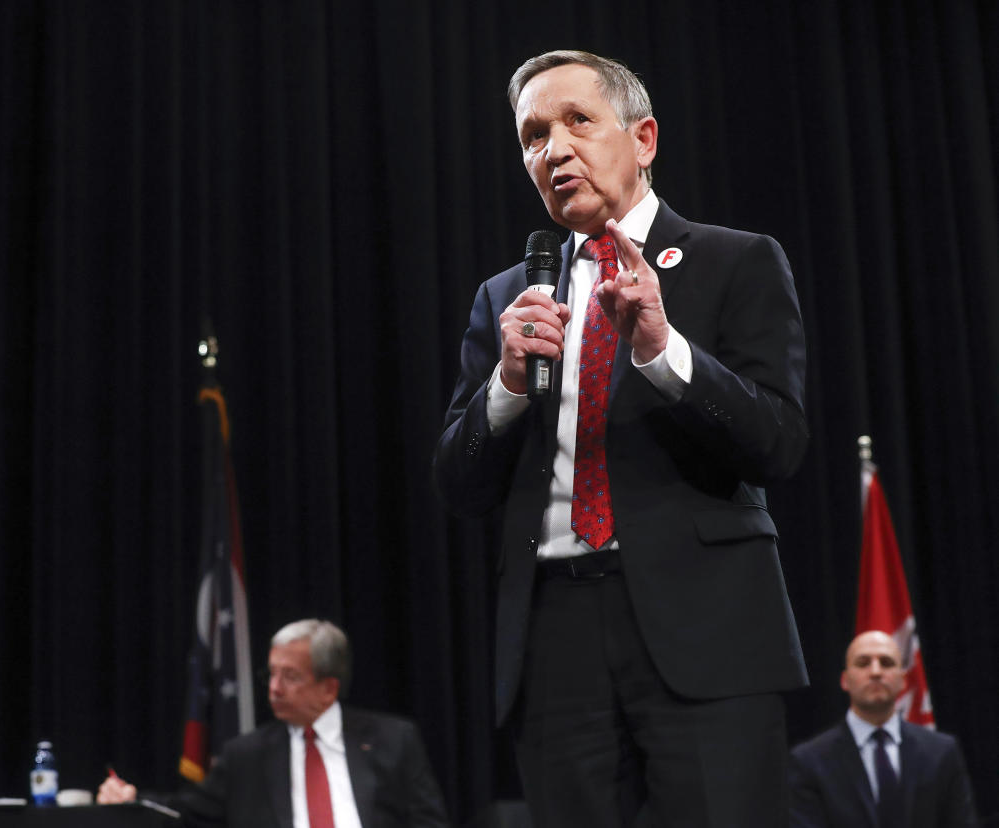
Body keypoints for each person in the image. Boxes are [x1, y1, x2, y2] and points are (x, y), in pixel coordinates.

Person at [434, 49, 809, 826]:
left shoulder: (733, 261)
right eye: (534, 136)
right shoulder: (507, 297)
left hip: (706, 635)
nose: (555, 149)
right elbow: (457, 485)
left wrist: (663, 350)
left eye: (578, 121)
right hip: (554, 641)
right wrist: (504, 385)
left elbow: (778, 445)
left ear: (643, 139)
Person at [98, 619, 449, 827]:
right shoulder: (246, 756)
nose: (274, 688)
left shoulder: (394, 740)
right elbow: (185, 814)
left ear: (328, 688)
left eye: (291, 676)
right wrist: (133, 799)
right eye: (272, 674)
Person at [789, 630, 978, 827]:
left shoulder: (941, 752)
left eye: (886, 663)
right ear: (845, 680)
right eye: (863, 663)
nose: (876, 672)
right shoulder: (809, 761)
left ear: (903, 680)